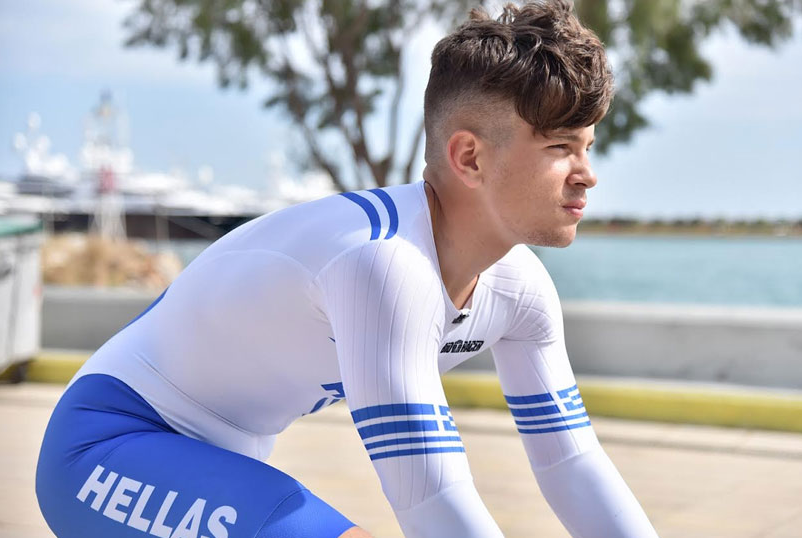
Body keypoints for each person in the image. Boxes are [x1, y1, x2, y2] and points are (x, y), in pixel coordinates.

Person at [36, 1, 659, 536]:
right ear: (469, 157)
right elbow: (433, 499)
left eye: (587, 147)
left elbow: (572, 464)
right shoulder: (381, 265)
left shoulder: (521, 291)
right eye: (559, 147)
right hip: (107, 445)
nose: (587, 174)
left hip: (228, 462)